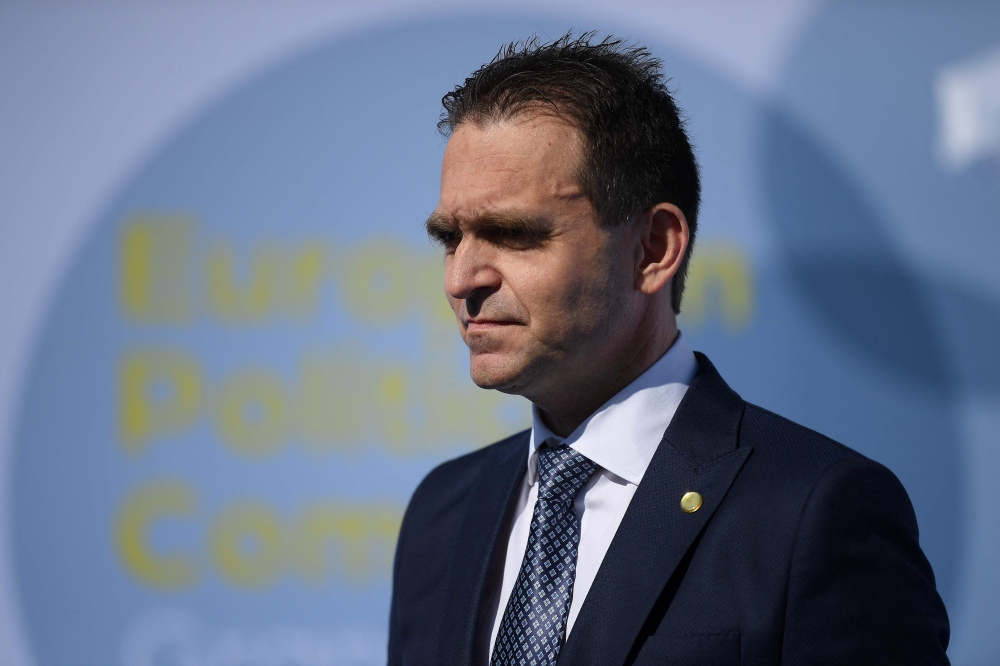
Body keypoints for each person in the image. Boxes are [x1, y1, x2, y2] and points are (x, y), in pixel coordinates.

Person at [388, 34, 950, 666]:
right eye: (449, 238)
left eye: (513, 234)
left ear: (654, 248)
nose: (462, 280)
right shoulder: (443, 511)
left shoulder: (813, 511)